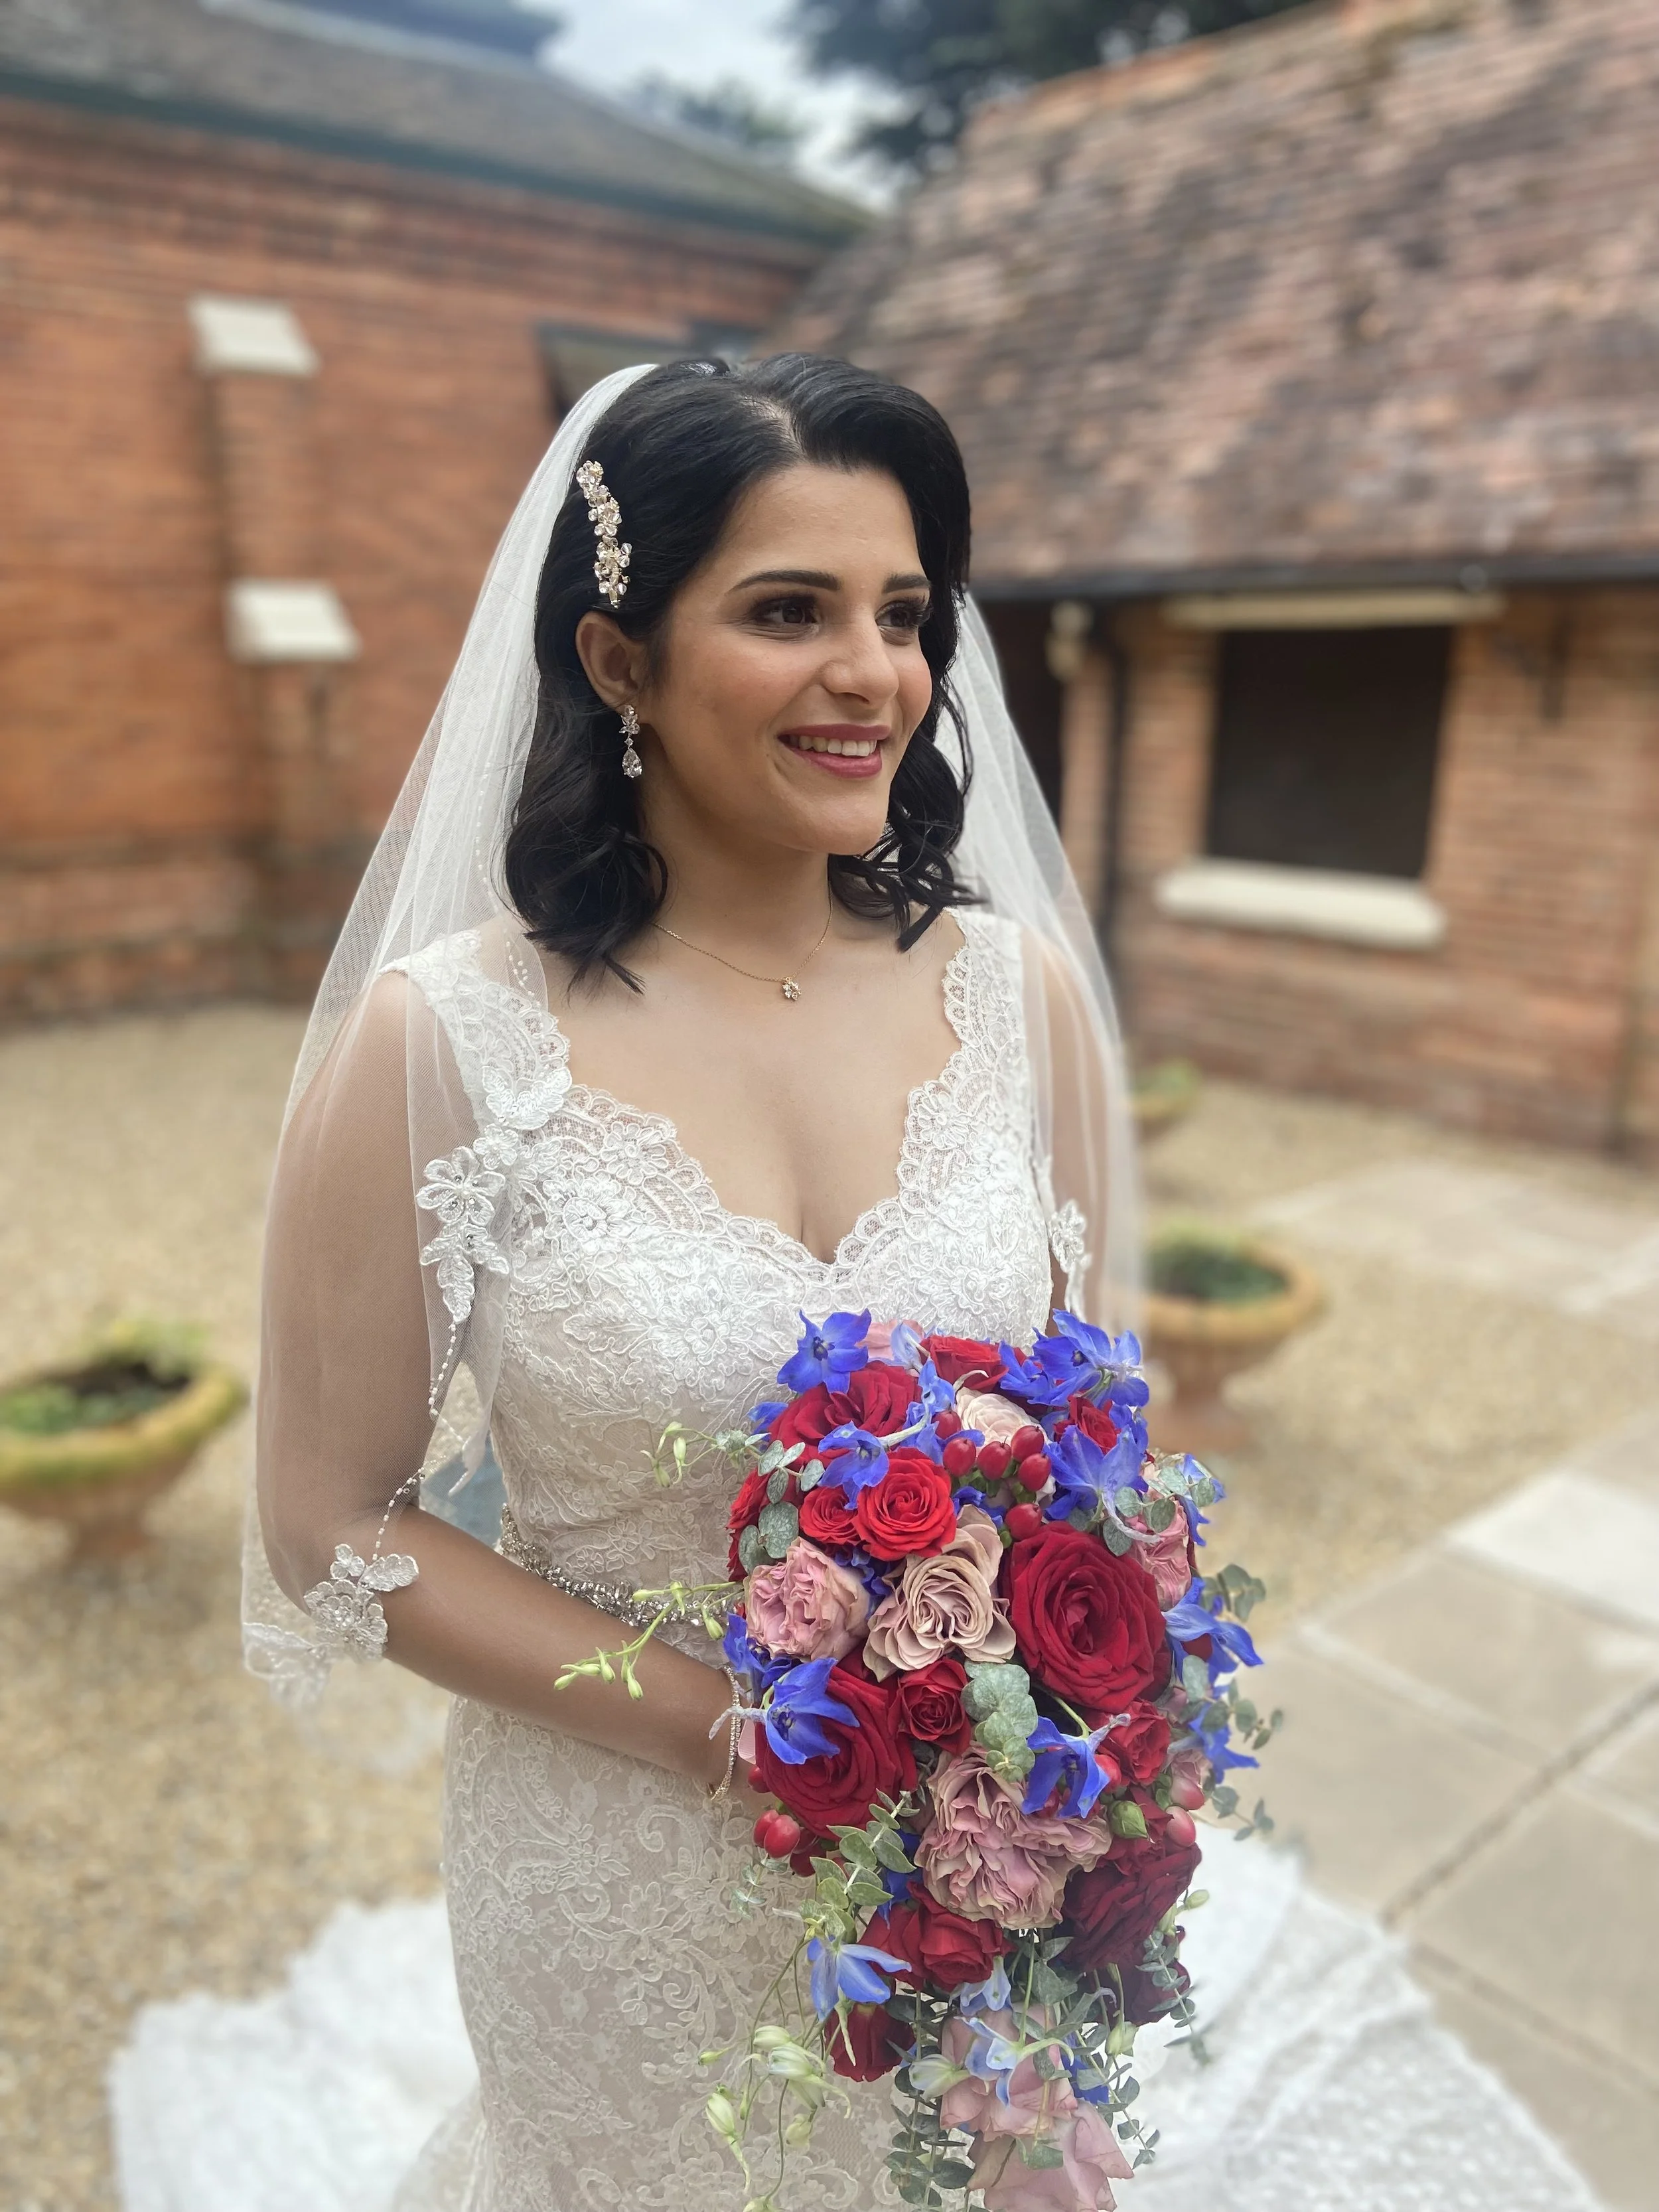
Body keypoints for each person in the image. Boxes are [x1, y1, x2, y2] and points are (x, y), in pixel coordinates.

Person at [246, 354, 1138, 2210]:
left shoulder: (1018, 1000)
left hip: (962, 1856)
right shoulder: (444, 1043)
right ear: (617, 660)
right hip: (614, 1863)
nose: (872, 671)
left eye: (902, 614)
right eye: (788, 611)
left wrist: (1063, 1793)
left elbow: (1091, 1448)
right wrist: (737, 1733)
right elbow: (332, 1524)